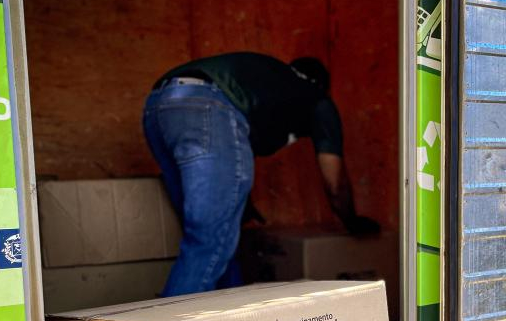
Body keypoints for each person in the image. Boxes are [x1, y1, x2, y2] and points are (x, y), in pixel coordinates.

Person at [143, 53, 378, 297]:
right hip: (207, 105)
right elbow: (334, 182)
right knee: (210, 242)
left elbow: (231, 154)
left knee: (221, 240)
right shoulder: (316, 97)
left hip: (159, 108)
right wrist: (352, 221)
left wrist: (238, 201)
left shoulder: (268, 85)